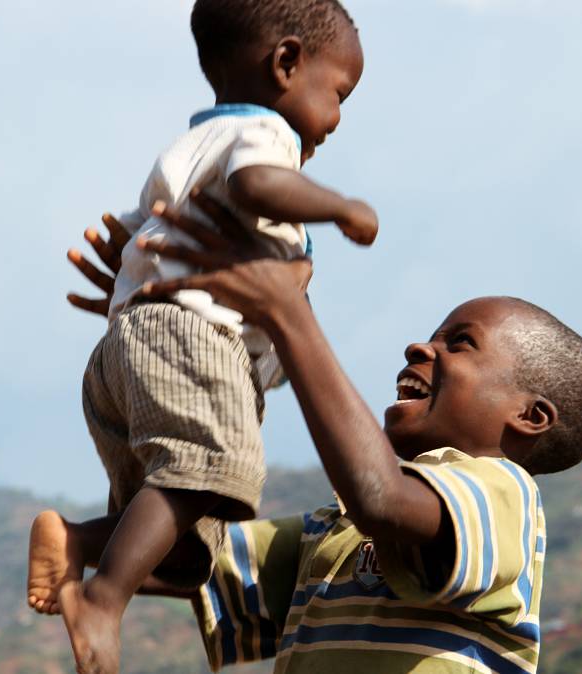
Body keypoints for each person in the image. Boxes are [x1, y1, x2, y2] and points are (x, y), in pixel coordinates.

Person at [32, 198, 582, 673]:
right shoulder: (334, 527)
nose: (419, 346)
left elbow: (381, 497)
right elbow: (189, 555)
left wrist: (287, 315)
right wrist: (165, 330)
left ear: (530, 416)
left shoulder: (503, 497)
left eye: (460, 343)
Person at [26, 1, 375, 672]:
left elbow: (138, 234)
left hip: (127, 349)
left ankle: (78, 542)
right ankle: (102, 598)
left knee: (187, 551)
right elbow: (260, 183)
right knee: (210, 470)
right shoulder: (265, 136)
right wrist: (343, 207)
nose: (336, 119)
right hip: (193, 340)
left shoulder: (189, 147)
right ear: (286, 63)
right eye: (339, 94)